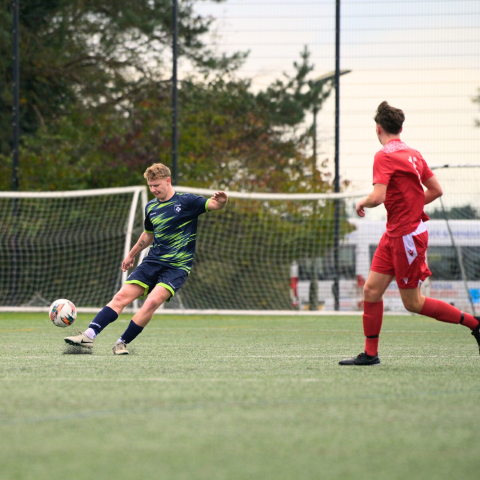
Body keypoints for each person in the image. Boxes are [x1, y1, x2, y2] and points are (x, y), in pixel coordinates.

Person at [339, 101, 480, 366]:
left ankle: (475, 324)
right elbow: (436, 190)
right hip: (394, 233)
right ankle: (370, 354)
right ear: (400, 128)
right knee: (371, 291)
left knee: (413, 303)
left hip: (407, 236)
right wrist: (411, 205)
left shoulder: (384, 155)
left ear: (378, 128)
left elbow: (377, 197)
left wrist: (362, 202)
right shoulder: (413, 153)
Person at [65, 163, 228, 355]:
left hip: (177, 267)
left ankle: (121, 343)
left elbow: (215, 205)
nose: (154, 190)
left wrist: (223, 201)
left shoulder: (187, 202)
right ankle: (88, 336)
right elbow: (148, 235)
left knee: (151, 302)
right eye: (150, 186)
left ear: (168, 181)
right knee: (120, 297)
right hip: (152, 262)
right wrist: (131, 255)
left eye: (157, 185)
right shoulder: (151, 207)